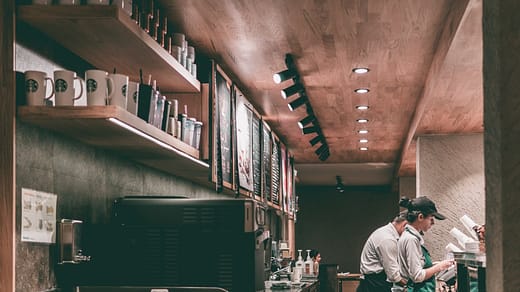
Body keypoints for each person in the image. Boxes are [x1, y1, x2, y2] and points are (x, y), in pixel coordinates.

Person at [397, 196, 453, 292]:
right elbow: (417, 276)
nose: (433, 223)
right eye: (431, 219)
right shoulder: (411, 239)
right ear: (420, 217)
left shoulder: (410, 236)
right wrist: (439, 267)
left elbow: (418, 265)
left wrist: (436, 264)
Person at [356, 210, 409, 292]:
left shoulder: (386, 233)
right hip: (374, 285)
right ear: (405, 225)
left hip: (374, 282)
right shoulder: (387, 238)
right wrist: (410, 286)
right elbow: (393, 275)